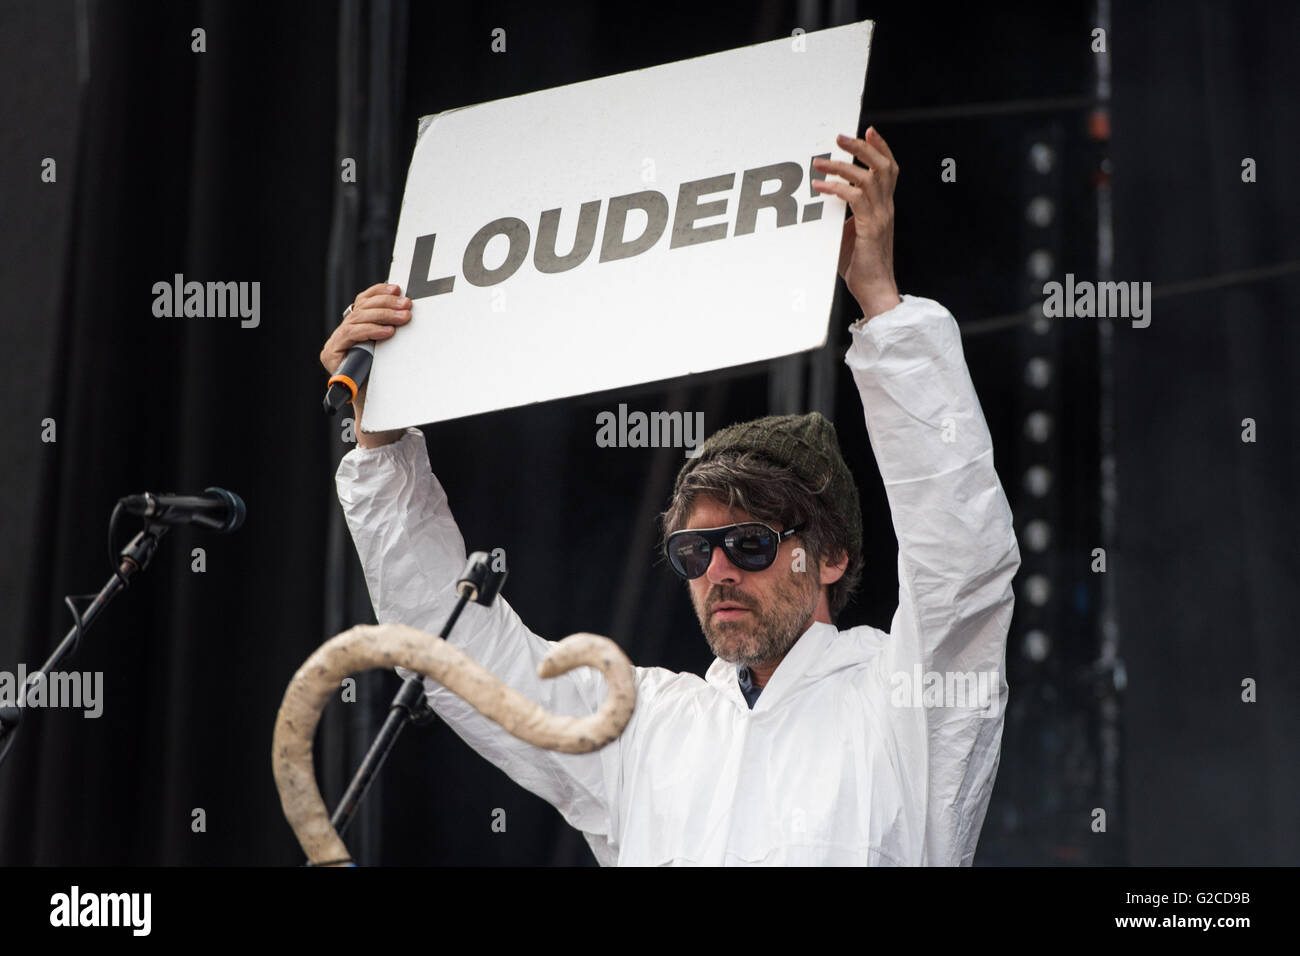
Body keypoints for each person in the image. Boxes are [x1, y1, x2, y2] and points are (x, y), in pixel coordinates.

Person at [321, 128, 1020, 865]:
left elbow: (961, 562)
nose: (718, 572)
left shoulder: (904, 705)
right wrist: (381, 443)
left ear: (830, 556)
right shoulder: (646, 724)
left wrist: (882, 304)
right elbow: (451, 647)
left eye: (748, 544)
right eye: (695, 551)